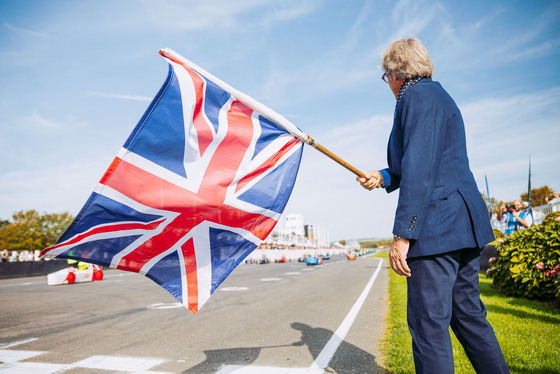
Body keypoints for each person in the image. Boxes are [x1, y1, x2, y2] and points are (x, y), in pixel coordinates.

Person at [357, 38, 509, 373]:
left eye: (386, 76)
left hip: (438, 227)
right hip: (464, 226)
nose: (388, 85)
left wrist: (402, 235)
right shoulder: (438, 95)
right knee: (469, 317)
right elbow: (420, 163)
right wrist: (381, 177)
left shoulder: (416, 96)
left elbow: (420, 168)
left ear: (396, 73)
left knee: (429, 326)